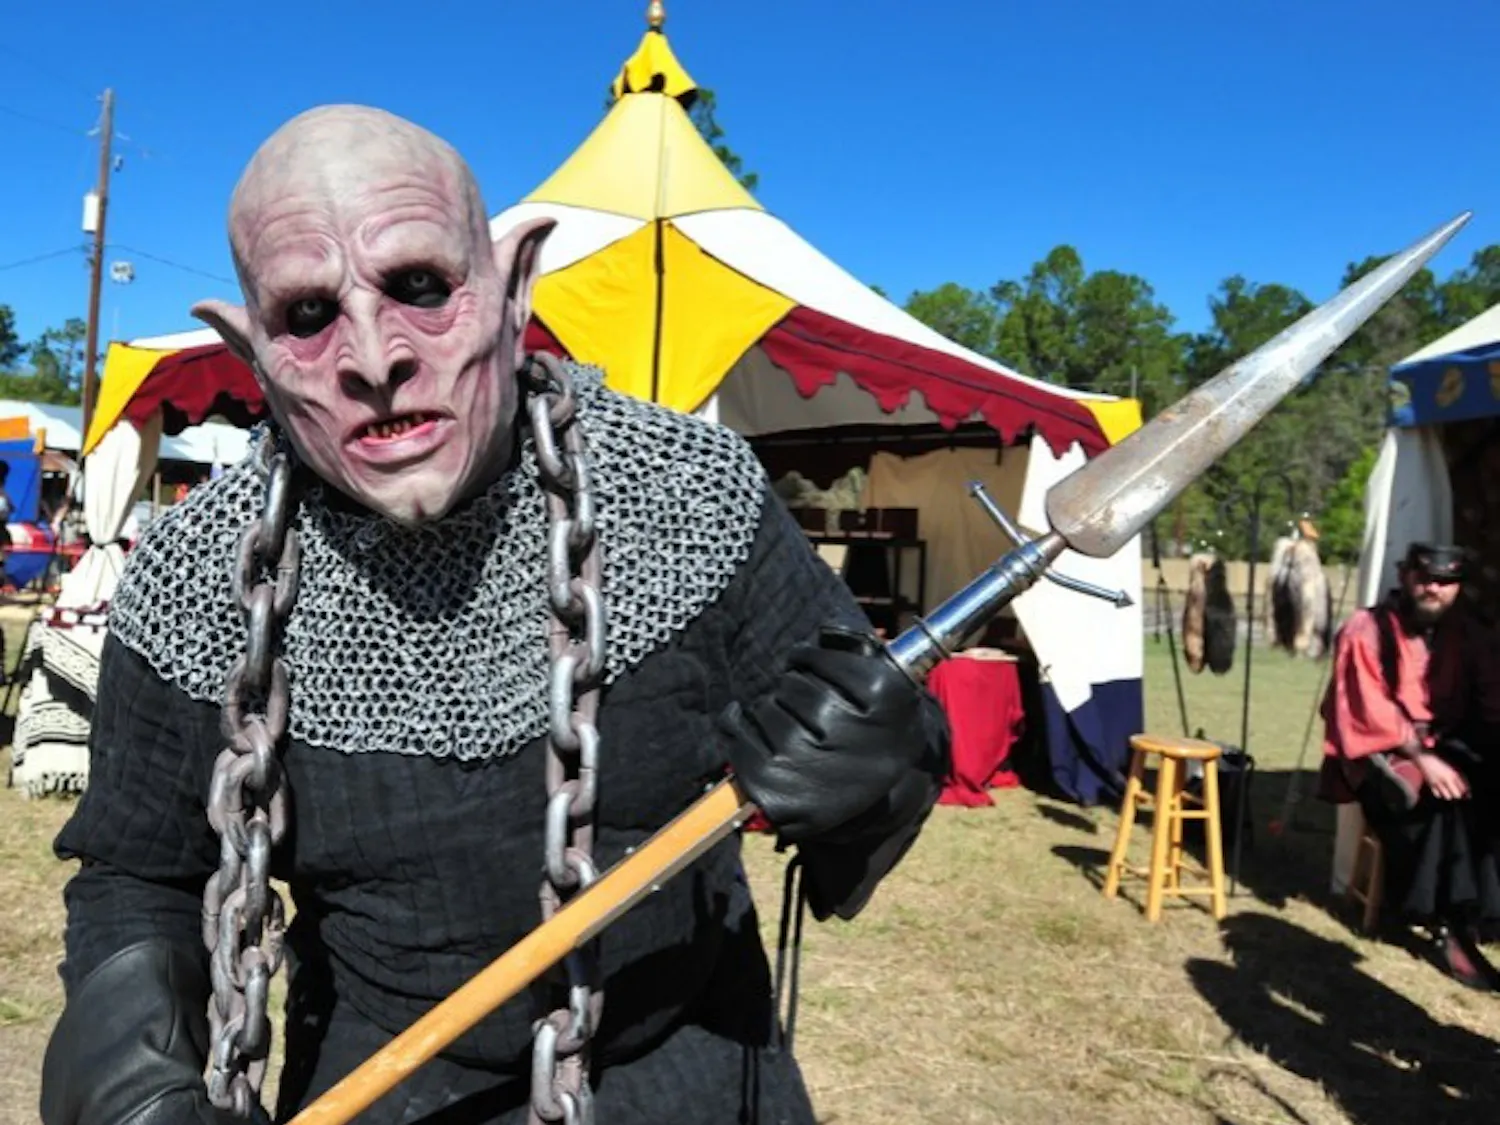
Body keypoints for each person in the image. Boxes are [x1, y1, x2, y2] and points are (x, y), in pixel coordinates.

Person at [39, 106, 951, 1125]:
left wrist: (874, 767)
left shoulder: (691, 497)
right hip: (390, 1087)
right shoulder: (199, 574)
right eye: (307, 316)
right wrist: (133, 1084)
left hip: (687, 1066)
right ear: (248, 348)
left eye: (420, 287)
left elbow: (880, 753)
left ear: (514, 286)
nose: (374, 355)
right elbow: (139, 874)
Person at [1319, 541, 1500, 988]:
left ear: (1458, 586)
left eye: (1445, 582)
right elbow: (1365, 708)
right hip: (1380, 752)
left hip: (1443, 744)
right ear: (1405, 576)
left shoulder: (1467, 633)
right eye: (1425, 578)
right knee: (1438, 798)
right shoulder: (1366, 629)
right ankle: (1445, 923)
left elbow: (1490, 700)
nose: (1433, 588)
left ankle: (1483, 912)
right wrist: (1422, 758)